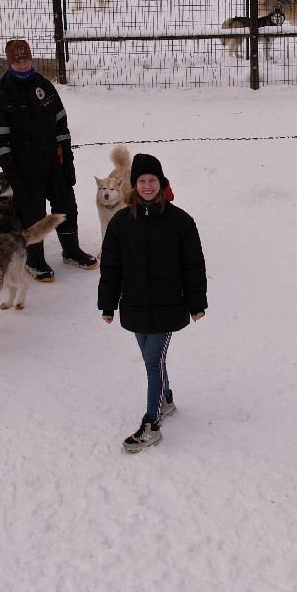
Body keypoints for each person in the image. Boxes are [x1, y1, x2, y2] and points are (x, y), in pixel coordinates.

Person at [98, 153, 207, 453]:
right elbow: (111, 266)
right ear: (134, 185)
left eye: (153, 180)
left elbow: (193, 265)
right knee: (153, 359)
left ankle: (152, 424)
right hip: (134, 303)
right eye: (142, 181)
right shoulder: (121, 222)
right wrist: (108, 304)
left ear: (161, 183)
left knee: (152, 362)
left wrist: (196, 303)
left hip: (168, 304)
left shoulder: (180, 221)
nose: (147, 186)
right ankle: (166, 399)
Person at [0, 37, 97, 282]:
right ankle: (34, 261)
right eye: (18, 62)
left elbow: (61, 126)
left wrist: (68, 161)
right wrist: (14, 177)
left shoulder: (44, 86)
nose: (23, 65)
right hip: (25, 170)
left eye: (26, 60)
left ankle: (71, 251)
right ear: (10, 63)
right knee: (33, 215)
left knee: (67, 206)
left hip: (54, 163)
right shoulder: (0, 98)